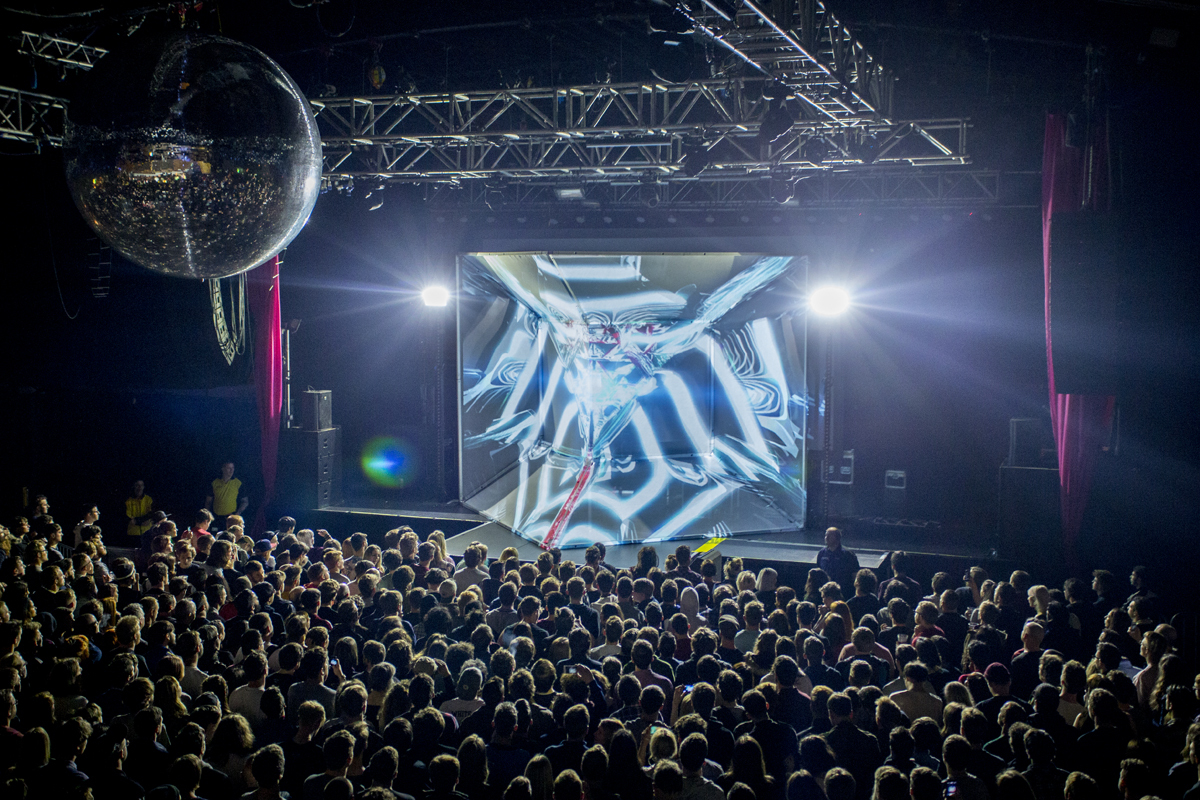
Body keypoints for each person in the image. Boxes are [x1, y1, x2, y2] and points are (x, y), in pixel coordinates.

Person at [817, 528, 860, 595]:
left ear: (837, 538)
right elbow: (819, 570)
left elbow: (855, 573)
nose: (826, 538)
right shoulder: (822, 553)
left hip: (842, 591)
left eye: (829, 536)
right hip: (826, 591)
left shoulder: (847, 554)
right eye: (826, 535)